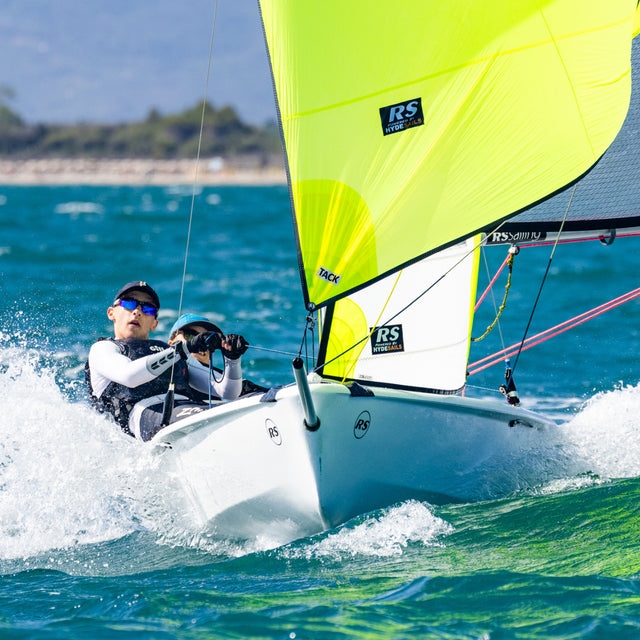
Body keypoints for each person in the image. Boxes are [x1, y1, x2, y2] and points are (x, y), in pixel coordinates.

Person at [85, 281, 248, 442]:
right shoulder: (102, 349)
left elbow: (228, 392)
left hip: (186, 408)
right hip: (143, 417)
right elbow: (129, 376)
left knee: (235, 411)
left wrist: (232, 359)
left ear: (154, 324)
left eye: (148, 308)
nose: (137, 312)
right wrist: (183, 349)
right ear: (111, 313)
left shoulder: (169, 351)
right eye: (129, 303)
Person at [168, 313, 267, 397]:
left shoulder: (223, 379)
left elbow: (231, 392)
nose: (202, 344)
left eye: (209, 340)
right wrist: (187, 346)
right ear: (170, 342)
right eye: (191, 335)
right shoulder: (160, 362)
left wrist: (232, 358)